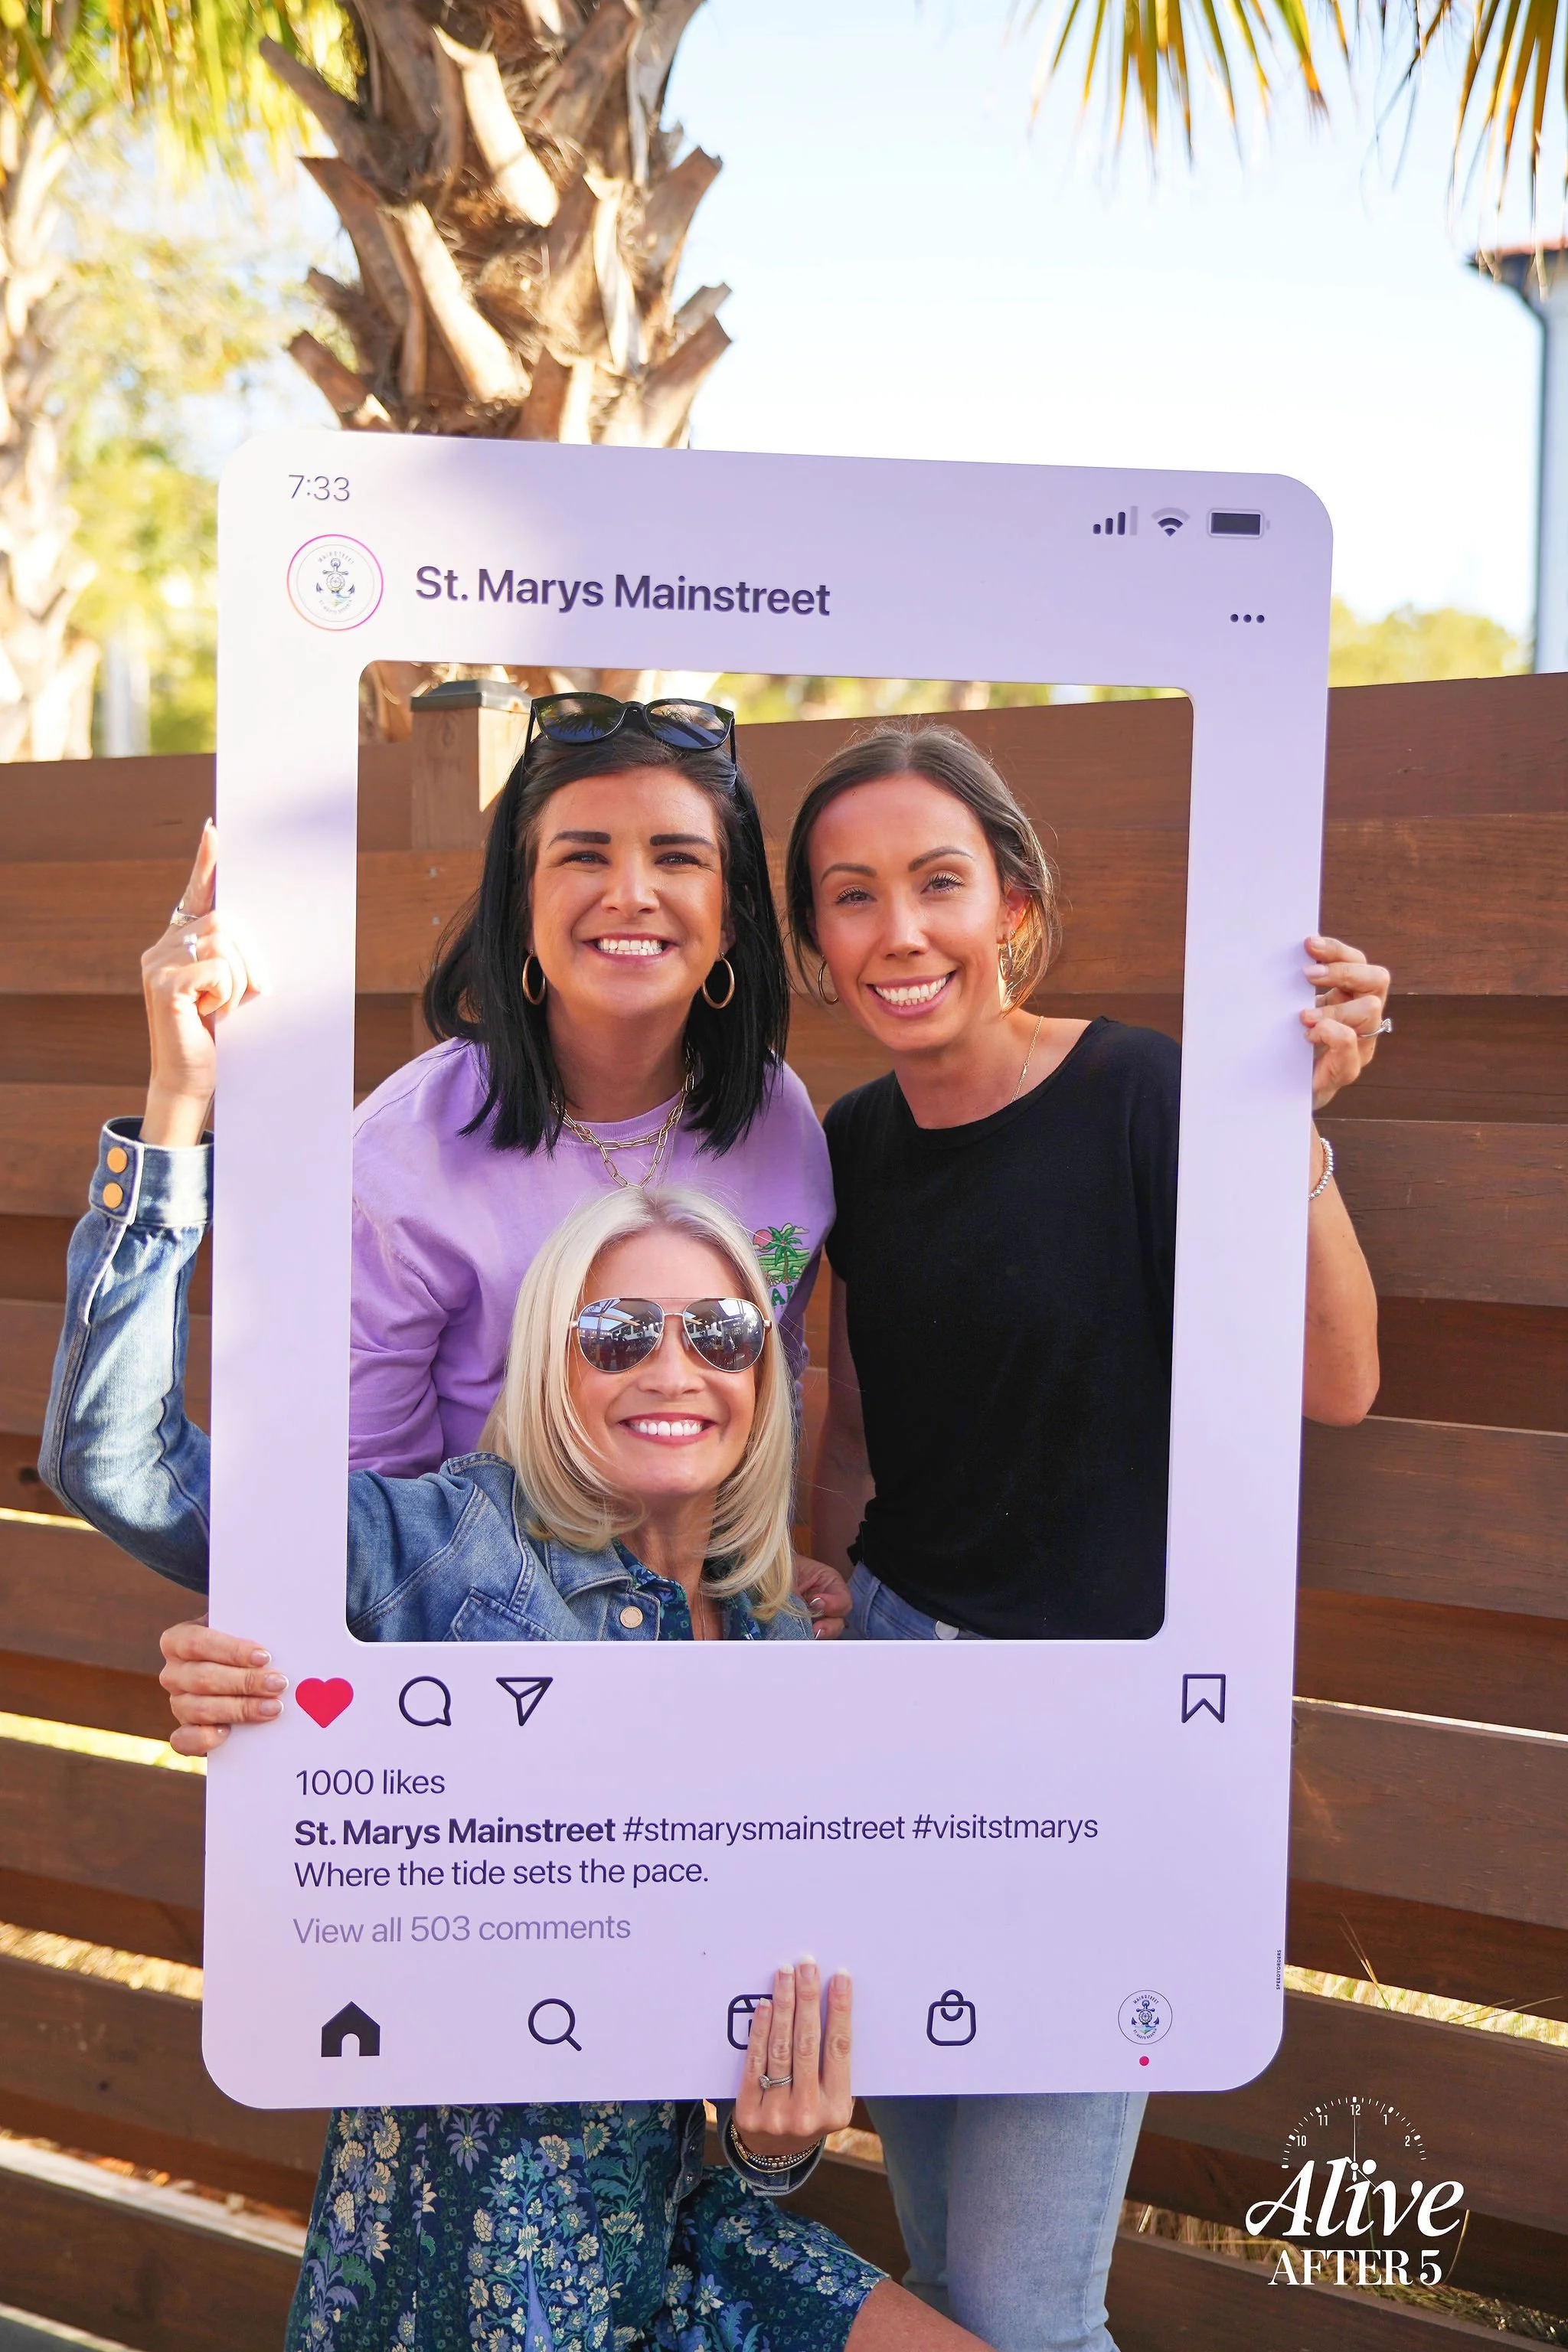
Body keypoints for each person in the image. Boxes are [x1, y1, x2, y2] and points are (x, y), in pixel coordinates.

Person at [44, 1144, 987, 2352]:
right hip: (451, 2264)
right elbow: (120, 1464)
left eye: (719, 1333)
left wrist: (774, 2145)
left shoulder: (774, 1653)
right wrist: (173, 1125)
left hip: (672, 2229)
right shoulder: (441, 1545)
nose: (673, 1367)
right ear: (553, 1360)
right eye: (617, 1332)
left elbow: (732, 2060)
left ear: (762, 1375)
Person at [785, 724, 1387, 2352]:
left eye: (935, 884)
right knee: (941, 2265)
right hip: (898, 1705)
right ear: (817, 950)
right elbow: (853, 1426)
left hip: (1098, 1743)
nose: (897, 930)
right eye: (850, 898)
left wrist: (1294, 1138)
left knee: (1028, 2303)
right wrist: (818, 1583)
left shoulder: (1141, 1093)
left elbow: (1337, 1381)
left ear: (1015, 906)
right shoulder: (849, 1148)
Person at [142, 690, 846, 1628]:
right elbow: (367, 1492)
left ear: (729, 918)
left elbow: (765, 1378)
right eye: (583, 855)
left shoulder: (780, 1118)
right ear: (520, 908)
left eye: (676, 857)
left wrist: (765, 1572)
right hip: (486, 1632)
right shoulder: (405, 1149)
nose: (630, 892)